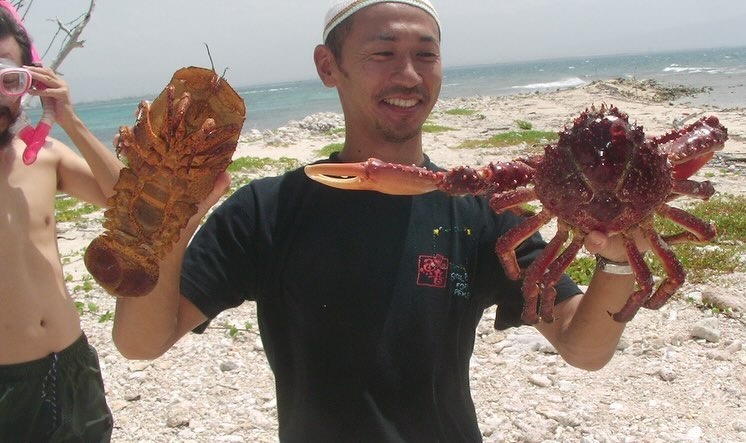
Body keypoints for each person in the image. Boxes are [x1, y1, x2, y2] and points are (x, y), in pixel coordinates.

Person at [112, 1, 644, 440]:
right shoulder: (266, 211)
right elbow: (142, 342)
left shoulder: (483, 210)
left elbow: (582, 346)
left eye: (425, 55)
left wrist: (617, 259)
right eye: (383, 53)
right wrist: (168, 220)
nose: (408, 75)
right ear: (328, 66)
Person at [0, 4, 125, 442]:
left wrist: (69, 118)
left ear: (28, 83)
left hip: (72, 366)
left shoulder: (45, 156)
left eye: (8, 80)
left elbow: (123, 201)